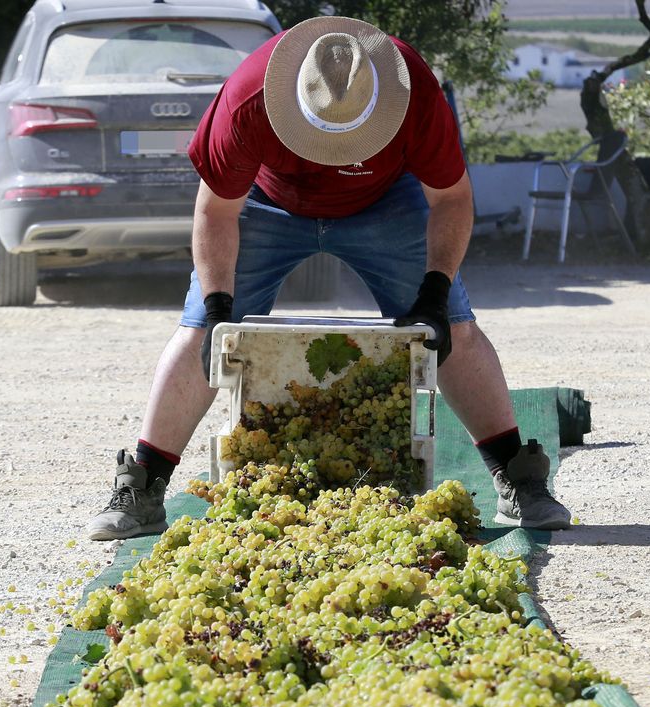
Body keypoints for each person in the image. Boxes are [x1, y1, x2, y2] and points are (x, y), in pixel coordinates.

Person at [86, 15, 571, 540]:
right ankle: (143, 486)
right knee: (202, 328)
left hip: (386, 203)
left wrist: (434, 291)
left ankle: (516, 479)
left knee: (453, 326)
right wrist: (221, 307)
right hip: (268, 205)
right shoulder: (248, 99)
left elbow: (452, 199)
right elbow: (215, 213)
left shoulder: (416, 95)